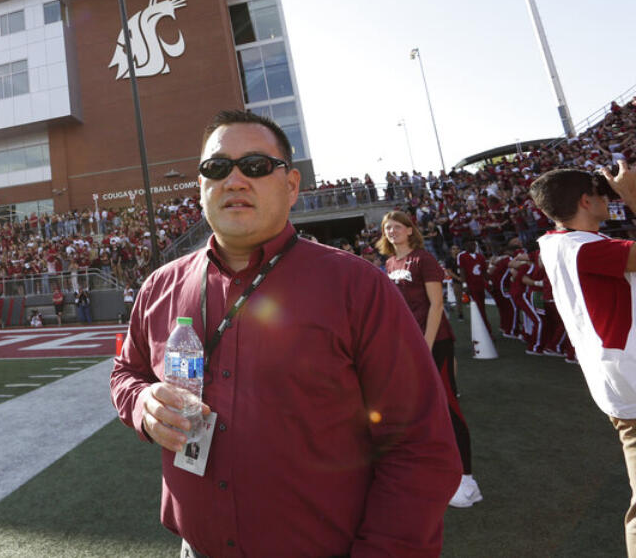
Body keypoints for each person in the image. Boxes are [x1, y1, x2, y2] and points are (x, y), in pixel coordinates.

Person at [111, 110, 459, 557]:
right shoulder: (160, 287)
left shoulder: (357, 286)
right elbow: (126, 372)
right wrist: (143, 404)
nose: (234, 180)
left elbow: (419, 443)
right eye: (216, 168)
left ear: (292, 185)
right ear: (200, 187)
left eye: (255, 166)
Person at [531, 161, 636, 557]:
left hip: (624, 377)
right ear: (587, 201)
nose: (610, 198)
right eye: (603, 193)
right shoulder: (583, 248)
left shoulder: (561, 243)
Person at [377, 209, 482, 509]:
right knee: (419, 409)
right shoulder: (389, 262)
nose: (392, 231)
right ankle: (435, 469)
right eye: (388, 228)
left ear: (410, 230)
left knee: (447, 404)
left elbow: (437, 305)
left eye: (397, 226)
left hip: (435, 342)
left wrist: (426, 343)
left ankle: (467, 479)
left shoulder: (424, 259)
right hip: (409, 346)